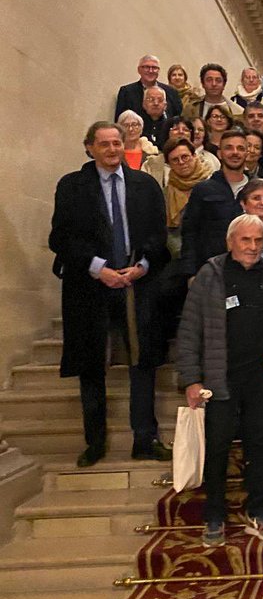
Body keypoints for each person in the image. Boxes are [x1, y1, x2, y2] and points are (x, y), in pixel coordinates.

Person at [49, 121, 170, 467]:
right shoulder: (72, 186)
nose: (112, 149)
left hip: (137, 283)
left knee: (142, 362)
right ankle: (95, 442)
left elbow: (159, 236)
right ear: (89, 147)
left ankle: (145, 439)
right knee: (91, 366)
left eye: (117, 143)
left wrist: (143, 265)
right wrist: (97, 267)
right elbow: (60, 238)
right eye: (104, 144)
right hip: (90, 285)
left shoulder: (145, 185)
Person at [176, 215, 263, 547]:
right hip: (219, 379)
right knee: (217, 448)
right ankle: (214, 513)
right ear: (231, 242)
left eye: (258, 241)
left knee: (262, 444)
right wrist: (190, 379)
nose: (253, 247)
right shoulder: (209, 275)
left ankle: (258, 507)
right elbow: (189, 332)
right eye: (246, 240)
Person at [179, 128, 248, 276]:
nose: (235, 152)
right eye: (228, 148)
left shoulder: (256, 190)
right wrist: (190, 274)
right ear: (219, 154)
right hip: (211, 272)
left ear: (246, 153)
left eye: (240, 148)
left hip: (249, 270)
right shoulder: (203, 190)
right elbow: (190, 233)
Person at [115, 54, 182, 119]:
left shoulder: (171, 92)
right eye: (146, 67)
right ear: (139, 70)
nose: (150, 71)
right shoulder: (127, 92)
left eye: (154, 68)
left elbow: (178, 119)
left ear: (159, 71)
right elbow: (120, 121)